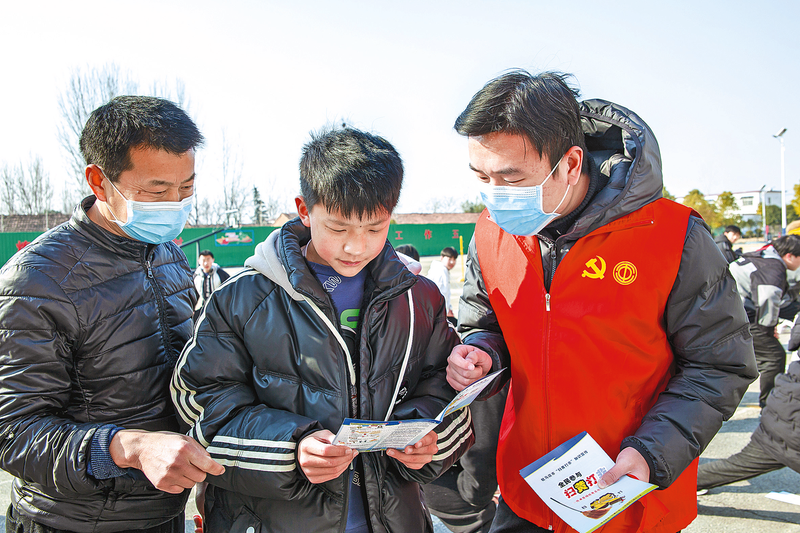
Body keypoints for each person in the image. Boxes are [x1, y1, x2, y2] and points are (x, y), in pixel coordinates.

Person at [445, 70, 757, 533]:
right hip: (528, 490)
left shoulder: (674, 238)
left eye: (512, 178)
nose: (495, 194)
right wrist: (480, 354)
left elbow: (719, 365)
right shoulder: (490, 233)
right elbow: (485, 325)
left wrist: (652, 451)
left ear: (571, 164)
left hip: (628, 490)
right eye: (481, 177)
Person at [171, 126, 474, 532]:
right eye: (337, 228)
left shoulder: (418, 297)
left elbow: (449, 392)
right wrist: (290, 449)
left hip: (395, 519)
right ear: (303, 210)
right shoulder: (242, 299)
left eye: (374, 228)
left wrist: (429, 440)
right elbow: (199, 405)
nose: (356, 246)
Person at [0, 96, 224, 533]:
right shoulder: (37, 280)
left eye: (186, 189)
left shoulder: (169, 257)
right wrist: (127, 448)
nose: (175, 203)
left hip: (165, 512)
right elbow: (13, 431)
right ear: (99, 182)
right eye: (156, 191)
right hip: (71, 521)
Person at [697, 349, 800, 493]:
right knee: (773, 357)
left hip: (782, 413)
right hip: (789, 421)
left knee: (736, 466)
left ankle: (679, 484)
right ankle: (677, 484)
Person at [728, 234, 800, 407]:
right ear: (790, 256)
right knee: (773, 357)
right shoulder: (774, 266)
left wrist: (769, 324)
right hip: (737, 313)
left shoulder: (765, 256)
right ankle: (770, 406)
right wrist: (768, 328)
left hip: (734, 309)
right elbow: (768, 297)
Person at [193, 250, 230, 320]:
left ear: (213, 260)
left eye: (208, 259)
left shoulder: (220, 274)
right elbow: (194, 294)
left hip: (219, 308)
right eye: (203, 260)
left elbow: (229, 291)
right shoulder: (196, 276)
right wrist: (192, 309)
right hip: (204, 307)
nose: (206, 263)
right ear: (199, 261)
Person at [426, 246, 458, 321]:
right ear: (441, 258)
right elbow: (440, 294)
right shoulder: (441, 272)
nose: (452, 262)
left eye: (454, 259)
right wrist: (446, 312)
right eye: (449, 259)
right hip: (438, 314)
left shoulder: (441, 270)